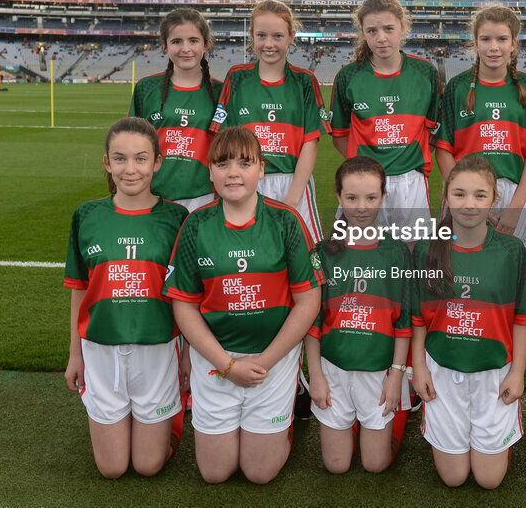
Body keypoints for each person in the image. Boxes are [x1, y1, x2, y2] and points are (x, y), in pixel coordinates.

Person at [164, 126, 323, 484]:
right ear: (210, 172)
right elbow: (185, 306)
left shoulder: (286, 220)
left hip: (272, 361)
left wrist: (265, 362)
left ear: (262, 169)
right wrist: (227, 364)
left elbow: (308, 300)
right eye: (222, 164)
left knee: (259, 473)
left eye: (244, 163)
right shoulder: (196, 225)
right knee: (215, 473)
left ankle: (285, 422)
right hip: (217, 360)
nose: (233, 172)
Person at [63, 117, 189, 479]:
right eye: (119, 159)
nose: (130, 169)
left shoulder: (177, 217)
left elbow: (186, 296)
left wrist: (188, 357)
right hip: (101, 351)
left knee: (149, 467)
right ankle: (117, 427)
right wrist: (75, 353)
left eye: (140, 159)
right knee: (112, 469)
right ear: (106, 163)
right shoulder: (86, 215)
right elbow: (80, 288)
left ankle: (165, 424)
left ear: (157, 162)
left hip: (158, 349)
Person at [410, 156, 526, 489]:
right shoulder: (425, 250)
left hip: (493, 373)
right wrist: (419, 369)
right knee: (453, 478)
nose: (469, 204)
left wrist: (518, 372)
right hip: (443, 373)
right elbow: (419, 318)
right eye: (460, 194)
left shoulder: (511, 251)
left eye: (480, 195)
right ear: (446, 197)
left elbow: (523, 318)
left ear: (495, 199)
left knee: (489, 480)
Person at [305, 156, 412, 473]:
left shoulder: (397, 252)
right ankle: (350, 421)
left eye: (371, 197)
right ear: (338, 197)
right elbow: (311, 325)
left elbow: (404, 324)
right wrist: (317, 378)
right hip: (333, 371)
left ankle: (398, 413)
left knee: (375, 465)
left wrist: (395, 378)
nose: (361, 207)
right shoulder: (323, 252)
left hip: (379, 373)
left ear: (383, 196)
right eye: (352, 198)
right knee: (336, 466)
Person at [211, 0, 330, 241]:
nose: (269, 44)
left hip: (293, 182)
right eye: (262, 35)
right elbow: (223, 140)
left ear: (291, 36)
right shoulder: (237, 77)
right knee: (250, 255)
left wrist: (293, 198)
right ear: (252, 35)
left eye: (277, 36)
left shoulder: (305, 81)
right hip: (246, 181)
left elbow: (310, 143)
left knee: (305, 258)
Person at [330, 0, 442, 236]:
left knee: (414, 257)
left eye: (389, 29)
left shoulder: (425, 73)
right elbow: (339, 135)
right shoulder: (348, 76)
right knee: (361, 255)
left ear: (403, 27)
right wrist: (363, 164)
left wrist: (408, 160)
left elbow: (433, 131)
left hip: (411, 183)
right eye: (371, 31)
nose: (381, 38)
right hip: (363, 184)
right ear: (362, 33)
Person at [435, 5, 526, 248]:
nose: (493, 47)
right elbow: (443, 148)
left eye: (502, 39)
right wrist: (463, 197)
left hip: (512, 195)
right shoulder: (457, 87)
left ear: (513, 43)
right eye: (486, 39)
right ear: (475, 42)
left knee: (510, 267)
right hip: (464, 191)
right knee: (456, 265)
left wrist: (516, 207)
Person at [129, 8, 221, 212]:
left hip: (204, 197)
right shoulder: (146, 88)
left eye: (193, 41)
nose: (185, 48)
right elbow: (131, 145)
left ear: (205, 44)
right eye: (176, 41)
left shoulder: (221, 92)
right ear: (165, 45)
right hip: (153, 196)